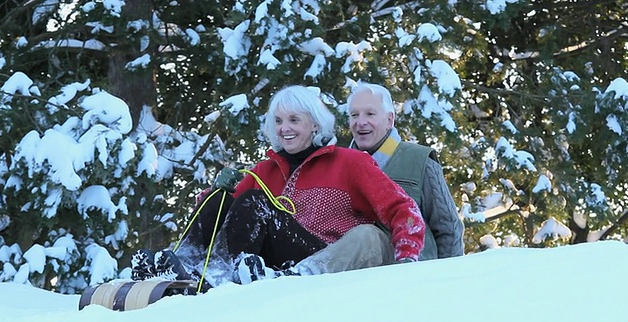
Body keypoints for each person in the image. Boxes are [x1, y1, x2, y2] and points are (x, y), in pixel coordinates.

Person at [131, 85, 426, 289]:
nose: (285, 128)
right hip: (269, 263)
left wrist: (407, 257)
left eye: (295, 120)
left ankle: (226, 276)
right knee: (221, 199)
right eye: (279, 121)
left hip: (321, 257)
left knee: (255, 202)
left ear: (315, 124)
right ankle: (181, 264)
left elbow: (402, 208)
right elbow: (224, 217)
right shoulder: (265, 170)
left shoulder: (349, 162)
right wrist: (210, 197)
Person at [345, 81, 464, 260]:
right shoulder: (338, 165)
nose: (361, 122)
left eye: (370, 114)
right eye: (354, 115)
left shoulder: (419, 160)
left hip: (413, 277)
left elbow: (448, 228)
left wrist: (449, 279)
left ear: (389, 119)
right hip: (355, 280)